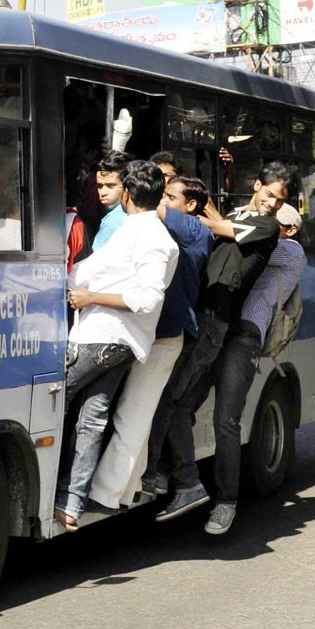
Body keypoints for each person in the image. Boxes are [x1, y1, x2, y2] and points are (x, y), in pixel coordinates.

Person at [144, 161, 291, 525]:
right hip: (206, 322)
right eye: (269, 194)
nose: (272, 203)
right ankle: (183, 479)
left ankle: (220, 499)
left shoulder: (265, 226)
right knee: (177, 405)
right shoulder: (243, 214)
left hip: (225, 328)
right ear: (257, 185)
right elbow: (216, 217)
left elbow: (215, 225)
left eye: (279, 199)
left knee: (218, 417)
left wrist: (182, 212)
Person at [54, 160, 179, 531]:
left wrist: (91, 295)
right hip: (115, 340)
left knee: (51, 401)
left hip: (104, 337)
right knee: (92, 418)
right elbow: (91, 269)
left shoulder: (151, 237)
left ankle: (50, 493)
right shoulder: (138, 230)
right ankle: (70, 503)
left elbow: (145, 298)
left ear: (127, 193)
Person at [91, 175, 213, 510]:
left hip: (166, 337)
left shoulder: (194, 230)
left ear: (191, 206)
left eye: (171, 197)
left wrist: (143, 193)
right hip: (151, 334)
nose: (165, 202)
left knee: (136, 414)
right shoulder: (163, 233)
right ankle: (131, 486)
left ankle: (113, 491)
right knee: (136, 414)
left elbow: (152, 209)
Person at [201, 202, 306, 535]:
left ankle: (225, 502)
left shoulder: (290, 251)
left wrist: (213, 210)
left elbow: (238, 237)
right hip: (218, 327)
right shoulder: (264, 239)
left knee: (226, 419)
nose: (266, 226)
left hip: (245, 337)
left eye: (273, 223)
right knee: (180, 403)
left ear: (290, 230)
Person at [89, 150, 132, 251]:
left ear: (126, 186)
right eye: (99, 186)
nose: (103, 192)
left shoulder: (112, 222)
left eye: (110, 186)